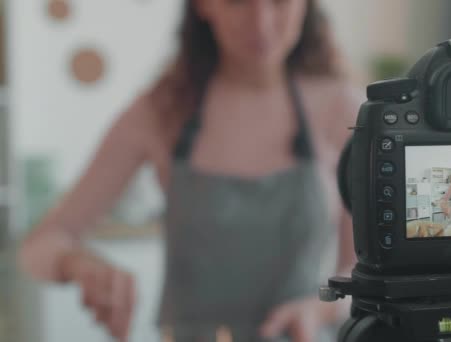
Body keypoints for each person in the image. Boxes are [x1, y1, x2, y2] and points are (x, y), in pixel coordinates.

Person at [18, 0, 360, 341]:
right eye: (236, 3)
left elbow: (359, 279)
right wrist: (80, 265)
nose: (261, 21)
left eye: (279, 1)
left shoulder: (345, 110)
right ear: (203, 5)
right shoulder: (161, 111)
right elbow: (39, 244)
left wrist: (319, 307)